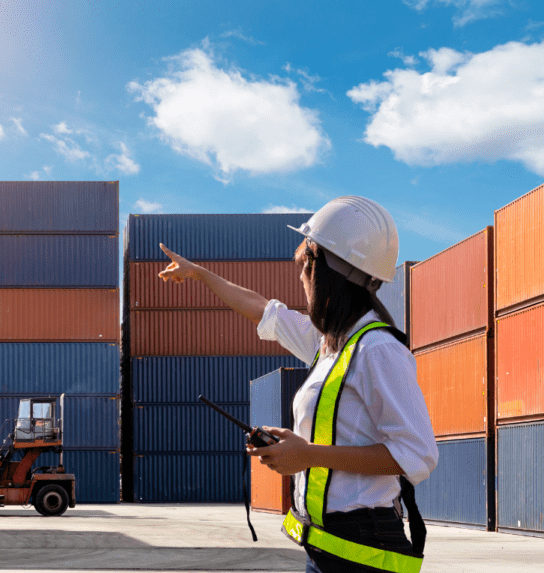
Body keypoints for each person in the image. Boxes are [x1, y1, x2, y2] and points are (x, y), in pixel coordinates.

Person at [158, 196, 438, 573]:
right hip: (326, 547)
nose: (301, 278)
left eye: (303, 267)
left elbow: (417, 455)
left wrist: (308, 455)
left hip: (362, 552)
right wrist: (201, 275)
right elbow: (264, 311)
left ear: (322, 269)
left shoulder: (377, 349)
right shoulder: (331, 344)